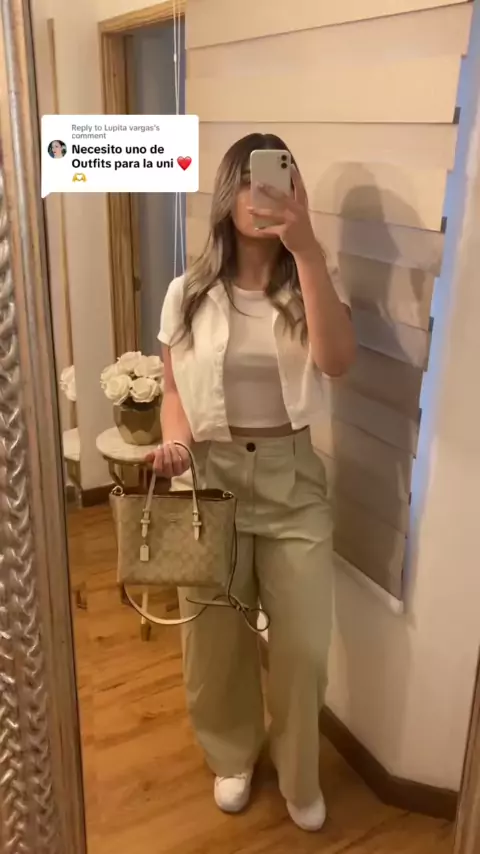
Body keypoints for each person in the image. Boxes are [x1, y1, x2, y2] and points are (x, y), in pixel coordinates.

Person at [148, 133, 355, 832]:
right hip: (212, 480)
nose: (260, 195)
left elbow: (337, 361)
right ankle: (232, 753)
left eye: (275, 181)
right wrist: (177, 444)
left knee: (303, 647)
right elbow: (173, 389)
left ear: (295, 192)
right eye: (248, 181)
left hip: (294, 481)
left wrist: (309, 251)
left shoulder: (311, 279)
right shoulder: (187, 292)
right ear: (226, 194)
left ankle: (299, 773)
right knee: (214, 641)